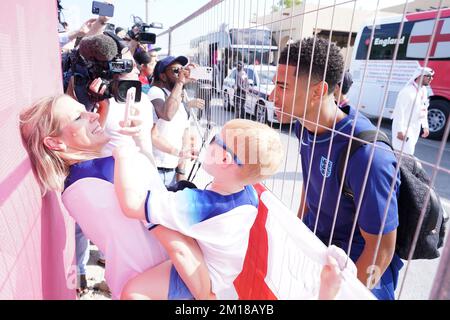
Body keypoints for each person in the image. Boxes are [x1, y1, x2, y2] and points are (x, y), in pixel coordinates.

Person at [113, 117, 346, 300]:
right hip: (223, 275)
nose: (210, 140)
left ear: (224, 159)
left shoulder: (201, 205)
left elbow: (131, 205)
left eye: (216, 137)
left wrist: (122, 153)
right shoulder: (248, 193)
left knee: (133, 293)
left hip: (207, 276)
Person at [19, 94, 213, 300]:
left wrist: (139, 140)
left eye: (85, 109)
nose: (93, 115)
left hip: (137, 287)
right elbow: (179, 245)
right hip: (175, 286)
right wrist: (206, 296)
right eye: (78, 117)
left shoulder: (73, 186)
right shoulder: (112, 170)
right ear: (55, 143)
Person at [270, 37, 403, 300]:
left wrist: (349, 293)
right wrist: (298, 235)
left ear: (318, 91)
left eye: (282, 87)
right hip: (321, 264)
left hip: (359, 278)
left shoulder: (367, 155)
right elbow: (311, 188)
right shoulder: (303, 125)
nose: (272, 95)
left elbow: (382, 252)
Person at [148, 56, 203, 187]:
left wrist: (181, 172)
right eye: (176, 70)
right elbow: (167, 114)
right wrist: (180, 83)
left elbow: (184, 134)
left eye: (182, 69)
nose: (180, 73)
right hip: (155, 169)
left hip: (172, 171)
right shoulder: (156, 92)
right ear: (163, 76)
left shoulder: (178, 96)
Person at [391, 66, 434, 155]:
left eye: (432, 76)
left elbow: (424, 108)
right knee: (402, 155)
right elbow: (399, 112)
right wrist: (399, 130)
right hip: (404, 128)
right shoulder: (407, 92)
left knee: (408, 154)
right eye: (428, 76)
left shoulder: (424, 91)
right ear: (420, 76)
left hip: (415, 128)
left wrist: (425, 126)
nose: (431, 79)